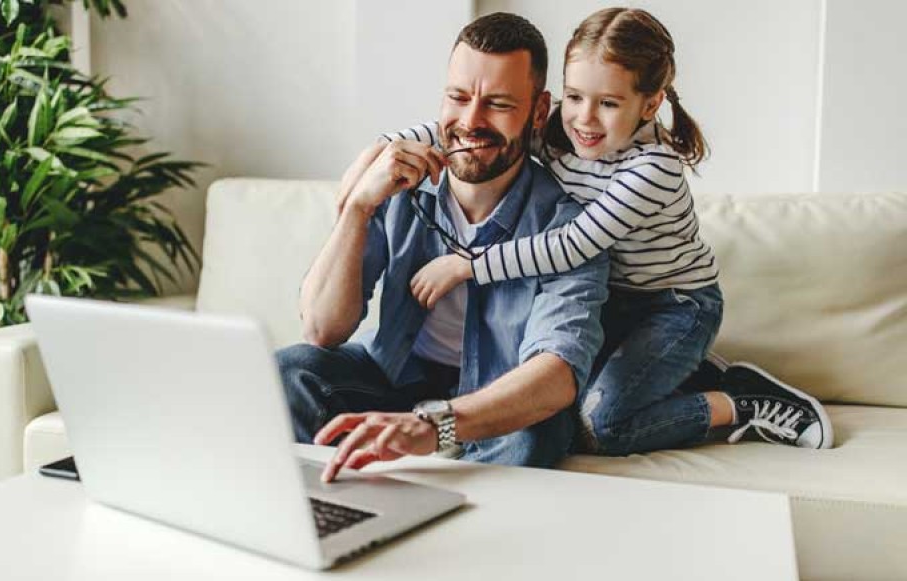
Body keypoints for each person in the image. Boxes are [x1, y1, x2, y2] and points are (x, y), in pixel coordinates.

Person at [342, 8, 833, 454]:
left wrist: (468, 265)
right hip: (612, 299)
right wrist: (379, 153)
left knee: (600, 425)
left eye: (609, 104)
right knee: (545, 398)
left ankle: (738, 402)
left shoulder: (653, 166)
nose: (584, 119)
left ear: (650, 103)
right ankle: (684, 373)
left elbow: (574, 244)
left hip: (673, 306)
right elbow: (473, 129)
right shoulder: (561, 131)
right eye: (574, 97)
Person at [278, 12, 610, 483]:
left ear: (538, 112)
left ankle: (450, 527)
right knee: (292, 370)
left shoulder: (571, 226)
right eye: (457, 97)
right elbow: (323, 329)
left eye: (497, 104)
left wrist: (436, 424)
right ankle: (333, 509)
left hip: (495, 398)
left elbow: (555, 373)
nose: (471, 121)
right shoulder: (398, 184)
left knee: (539, 430)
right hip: (396, 376)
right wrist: (357, 208)